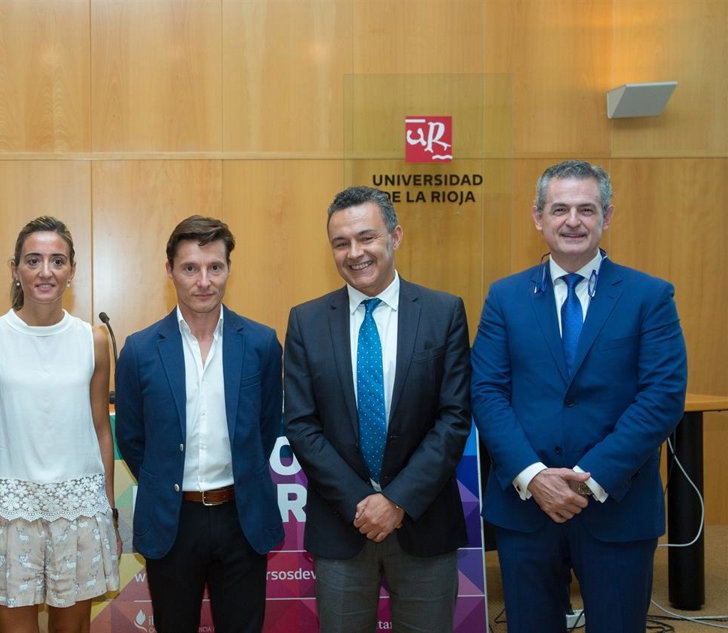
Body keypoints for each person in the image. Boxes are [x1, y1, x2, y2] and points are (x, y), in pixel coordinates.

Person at [471, 160, 687, 632]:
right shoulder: (505, 298)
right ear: (538, 217)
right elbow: (487, 392)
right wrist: (534, 476)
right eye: (560, 209)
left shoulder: (649, 297)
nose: (573, 221)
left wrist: (590, 479)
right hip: (527, 507)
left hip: (617, 505)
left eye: (586, 209)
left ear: (606, 216)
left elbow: (662, 397)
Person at [283, 186, 471, 632]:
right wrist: (361, 503)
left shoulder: (443, 312)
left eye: (366, 237)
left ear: (395, 236)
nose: (355, 253)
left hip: (424, 521)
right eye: (341, 243)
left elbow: (454, 417)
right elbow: (302, 425)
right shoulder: (306, 321)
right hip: (342, 525)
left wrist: (396, 500)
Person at [115, 215, 284, 633]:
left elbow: (266, 428)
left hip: (241, 518)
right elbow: (132, 439)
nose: (204, 281)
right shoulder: (139, 350)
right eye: (190, 268)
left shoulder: (261, 343)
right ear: (170, 270)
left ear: (228, 269)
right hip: (173, 520)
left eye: (215, 267)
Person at [0, 216, 120, 632]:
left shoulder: (93, 340)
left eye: (57, 261)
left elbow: (101, 429)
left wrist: (108, 511)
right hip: (9, 513)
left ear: (72, 270)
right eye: (33, 260)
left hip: (79, 513)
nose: (45, 272)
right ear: (15, 268)